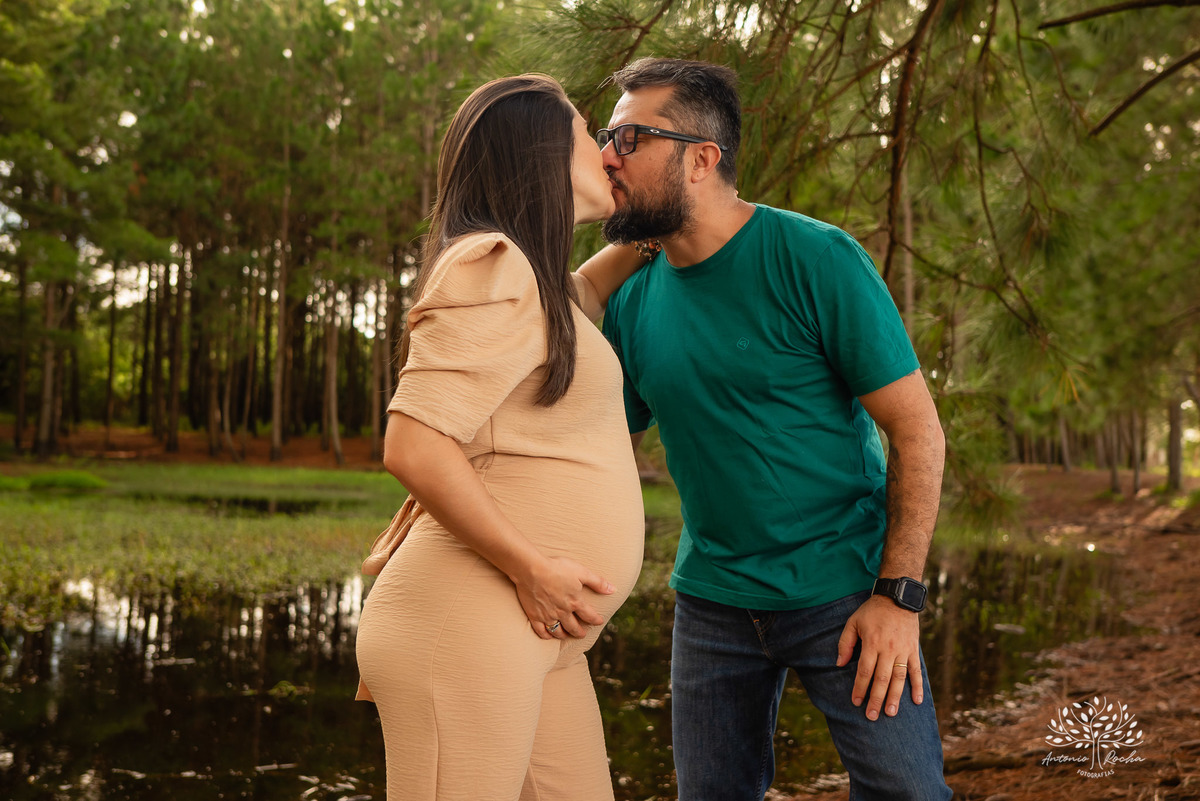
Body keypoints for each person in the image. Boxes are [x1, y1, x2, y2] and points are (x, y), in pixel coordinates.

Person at [596, 58, 953, 800]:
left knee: (909, 793)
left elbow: (917, 429)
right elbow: (591, 449)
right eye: (606, 136)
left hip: (848, 593)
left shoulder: (815, 258)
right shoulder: (632, 304)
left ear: (701, 158)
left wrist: (900, 597)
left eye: (630, 138)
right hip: (712, 605)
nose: (606, 156)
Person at [354, 74, 647, 801]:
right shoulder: (494, 265)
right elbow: (413, 446)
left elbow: (594, 284)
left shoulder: (543, 285)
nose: (609, 152)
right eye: (590, 132)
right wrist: (531, 568)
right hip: (470, 621)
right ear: (542, 152)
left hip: (535, 633)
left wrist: (662, 216)